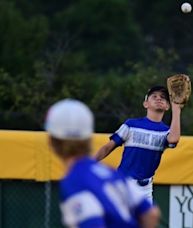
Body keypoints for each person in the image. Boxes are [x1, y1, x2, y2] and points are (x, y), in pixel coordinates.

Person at [45, 98, 160, 228]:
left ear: (52, 141)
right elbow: (151, 213)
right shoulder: (109, 172)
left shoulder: (74, 180)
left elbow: (93, 224)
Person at [94, 85, 181, 203]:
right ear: (146, 104)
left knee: (147, 221)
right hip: (123, 184)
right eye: (154, 96)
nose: (159, 98)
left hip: (144, 188)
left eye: (163, 97)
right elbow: (107, 148)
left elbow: (174, 139)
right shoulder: (131, 125)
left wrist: (176, 109)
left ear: (167, 106)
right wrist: (89, 163)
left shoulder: (165, 131)